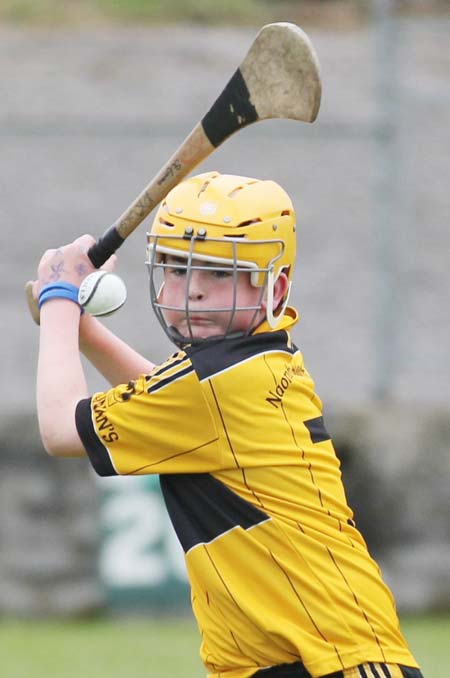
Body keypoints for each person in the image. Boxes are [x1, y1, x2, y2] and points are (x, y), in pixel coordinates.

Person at [33, 171, 423, 678]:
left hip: (330, 662)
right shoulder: (255, 361)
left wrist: (58, 299)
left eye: (218, 272)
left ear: (274, 286)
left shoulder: (217, 380)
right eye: (175, 266)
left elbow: (60, 430)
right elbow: (161, 395)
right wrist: (78, 326)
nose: (190, 290)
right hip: (297, 662)